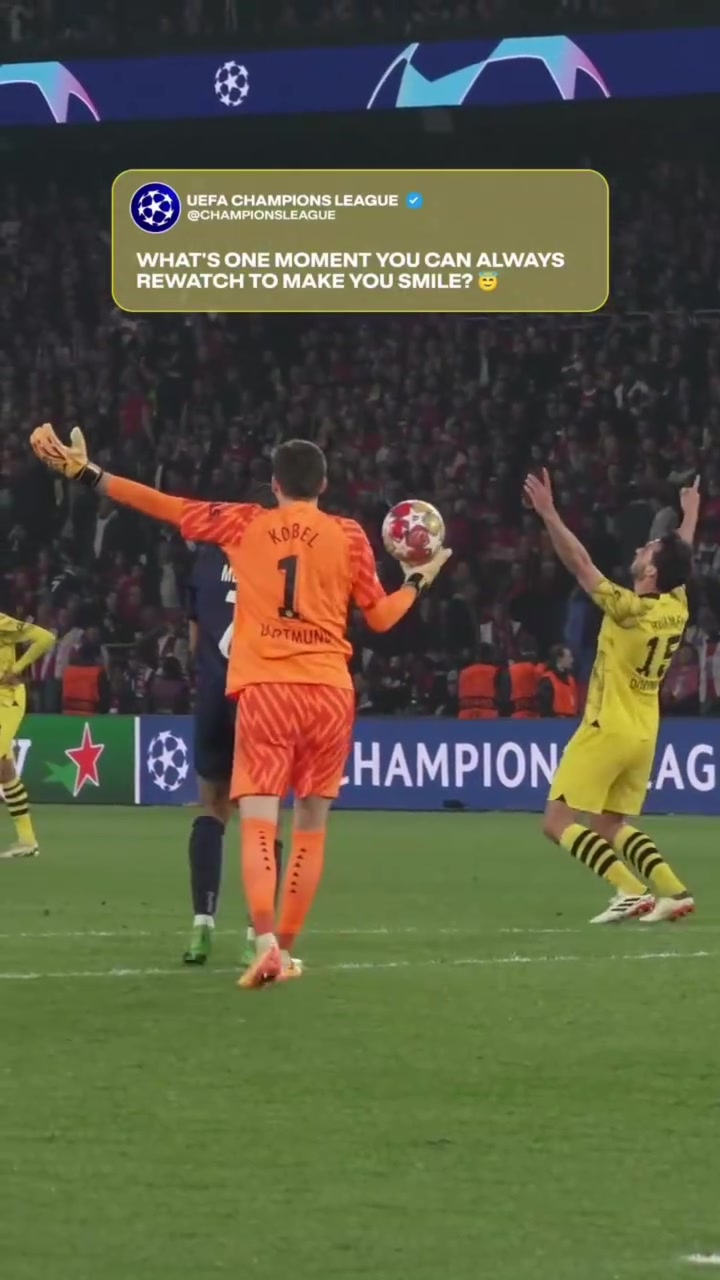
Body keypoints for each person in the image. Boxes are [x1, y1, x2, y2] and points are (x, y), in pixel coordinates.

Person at [30, 425, 451, 986]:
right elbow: (380, 618)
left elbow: (164, 505)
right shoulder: (349, 534)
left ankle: (266, 942)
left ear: (274, 485)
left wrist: (88, 474)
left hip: (266, 690)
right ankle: (289, 950)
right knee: (311, 827)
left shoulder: (245, 522)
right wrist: (417, 581)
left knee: (256, 821)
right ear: (323, 485)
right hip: (329, 692)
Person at [523, 468, 699, 925]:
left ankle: (629, 889)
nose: (641, 549)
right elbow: (680, 558)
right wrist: (690, 514)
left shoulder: (628, 610)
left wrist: (549, 513)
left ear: (652, 570)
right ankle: (674, 892)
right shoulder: (676, 605)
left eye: (648, 549)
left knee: (556, 823)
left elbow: (580, 563)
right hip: (644, 732)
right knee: (609, 824)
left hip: (607, 725)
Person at [182, 542, 283, 969]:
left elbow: (193, 641)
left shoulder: (206, 560)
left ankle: (202, 927)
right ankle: (255, 937)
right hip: (261, 699)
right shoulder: (280, 557)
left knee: (212, 808)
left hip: (213, 695)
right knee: (261, 818)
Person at [0, 611, 55, 858]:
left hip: (6, 699)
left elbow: (45, 638)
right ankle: (27, 841)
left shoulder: (2, 623)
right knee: (5, 771)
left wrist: (17, 668)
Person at [537, 645, 578, 718]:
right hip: (554, 722)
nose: (572, 660)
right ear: (559, 659)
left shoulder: (571, 680)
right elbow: (544, 709)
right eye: (569, 657)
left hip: (571, 721)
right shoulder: (547, 680)